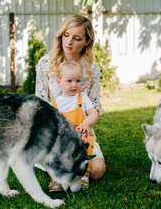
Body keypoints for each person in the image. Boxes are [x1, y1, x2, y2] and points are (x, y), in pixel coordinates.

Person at [35, 14, 106, 191]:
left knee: (97, 170)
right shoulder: (45, 63)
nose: (69, 42)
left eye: (77, 38)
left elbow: (94, 104)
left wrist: (84, 126)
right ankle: (58, 175)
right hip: (54, 129)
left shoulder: (92, 69)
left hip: (82, 130)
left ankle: (79, 170)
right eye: (66, 35)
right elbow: (41, 103)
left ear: (87, 41)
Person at [50, 60, 98, 190]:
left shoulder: (82, 97)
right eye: (69, 81)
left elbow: (94, 114)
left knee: (83, 153)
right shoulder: (54, 103)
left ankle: (83, 176)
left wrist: (85, 123)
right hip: (63, 137)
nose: (74, 85)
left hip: (81, 135)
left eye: (78, 81)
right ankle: (57, 179)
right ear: (59, 82)